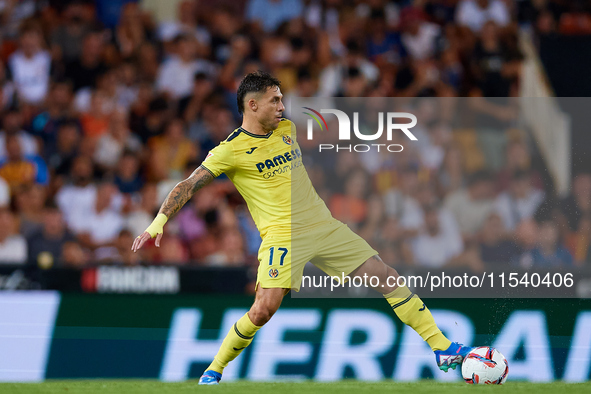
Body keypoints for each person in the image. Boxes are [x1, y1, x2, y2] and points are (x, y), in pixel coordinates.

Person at [131, 71, 471, 385]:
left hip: (323, 226)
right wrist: (159, 221)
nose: (282, 106)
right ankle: (214, 370)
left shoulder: (287, 129)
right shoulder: (230, 151)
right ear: (252, 105)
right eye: (274, 100)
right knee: (263, 309)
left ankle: (441, 347)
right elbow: (188, 185)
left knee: (385, 275)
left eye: (281, 99)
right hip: (282, 236)